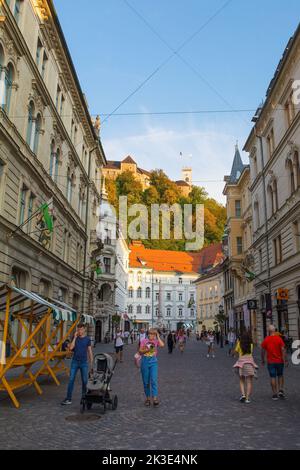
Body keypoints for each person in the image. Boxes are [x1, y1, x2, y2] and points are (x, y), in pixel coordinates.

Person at [61, 323, 93, 406]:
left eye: (81, 329)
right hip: (75, 362)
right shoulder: (75, 338)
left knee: (85, 381)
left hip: (84, 362)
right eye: (78, 329)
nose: (80, 331)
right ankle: (68, 398)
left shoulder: (87, 339)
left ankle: (84, 397)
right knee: (71, 380)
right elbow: (71, 348)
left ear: (84, 330)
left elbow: (89, 350)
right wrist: (75, 337)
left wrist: (91, 360)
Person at [261, 324, 288, 400]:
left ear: (268, 331)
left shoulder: (266, 339)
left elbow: (262, 351)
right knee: (280, 375)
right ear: (274, 331)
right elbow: (283, 349)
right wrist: (285, 359)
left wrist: (263, 360)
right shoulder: (279, 339)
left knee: (272, 377)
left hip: (271, 362)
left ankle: (274, 394)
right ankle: (281, 391)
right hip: (280, 361)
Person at [139, 328, 164, 406]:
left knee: (153, 380)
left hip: (153, 363)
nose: (151, 335)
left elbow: (162, 345)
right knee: (146, 382)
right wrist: (147, 350)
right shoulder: (144, 341)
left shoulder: (156, 341)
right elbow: (140, 351)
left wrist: (158, 337)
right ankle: (147, 398)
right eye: (150, 334)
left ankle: (155, 398)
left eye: (153, 334)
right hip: (145, 362)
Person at [233, 332, 257, 404]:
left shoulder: (239, 344)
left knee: (241, 380)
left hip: (241, 364)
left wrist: (236, 354)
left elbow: (235, 352)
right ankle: (247, 398)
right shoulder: (251, 345)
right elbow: (251, 353)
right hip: (249, 363)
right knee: (249, 381)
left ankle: (243, 395)